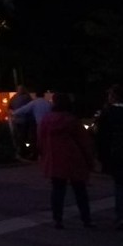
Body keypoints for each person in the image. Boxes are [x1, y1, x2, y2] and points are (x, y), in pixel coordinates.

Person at [39, 92, 95, 229]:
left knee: (57, 190)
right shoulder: (72, 120)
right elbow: (84, 142)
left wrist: (44, 155)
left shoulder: (46, 120)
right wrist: (90, 159)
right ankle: (86, 219)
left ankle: (57, 219)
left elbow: (40, 141)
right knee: (80, 190)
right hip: (74, 159)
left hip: (55, 159)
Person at [94, 83, 123, 230]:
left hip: (116, 152)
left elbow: (101, 136)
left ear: (114, 96)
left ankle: (121, 217)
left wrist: (101, 155)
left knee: (120, 185)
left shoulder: (108, 112)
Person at [13, 89, 53, 159]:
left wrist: (14, 113)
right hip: (50, 125)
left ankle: (37, 155)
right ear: (43, 95)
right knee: (48, 141)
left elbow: (24, 109)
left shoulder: (34, 103)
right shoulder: (48, 103)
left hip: (40, 124)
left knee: (38, 140)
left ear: (36, 95)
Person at [9, 85, 33, 159]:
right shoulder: (27, 97)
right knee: (24, 136)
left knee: (19, 136)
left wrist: (12, 115)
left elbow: (10, 107)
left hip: (18, 120)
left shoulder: (15, 98)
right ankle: (24, 151)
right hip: (23, 120)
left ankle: (21, 151)